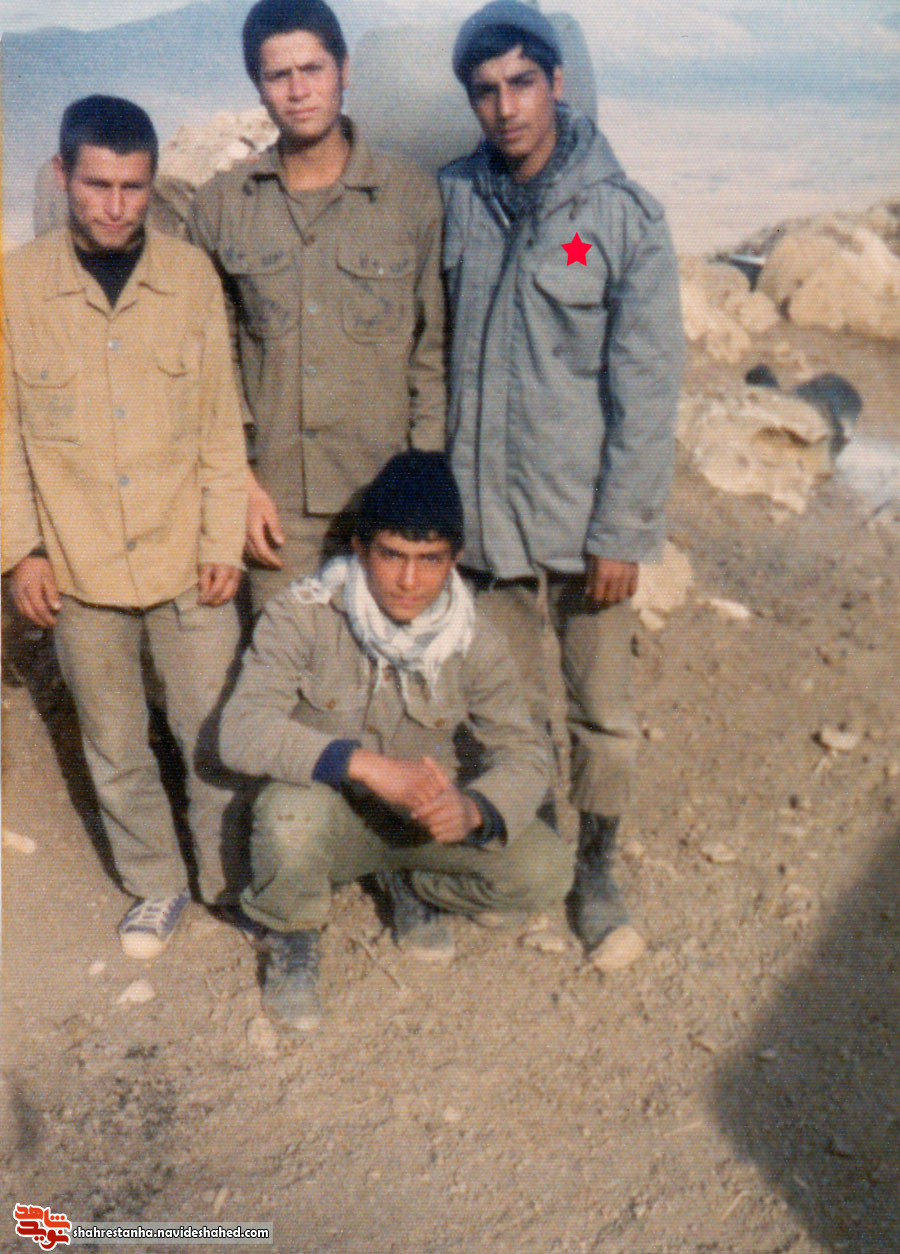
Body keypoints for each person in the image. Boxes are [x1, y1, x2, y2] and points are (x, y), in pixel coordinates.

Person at [441, 2, 684, 951]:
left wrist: (624, 531)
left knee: (601, 711)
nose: (505, 106)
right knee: (506, 705)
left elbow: (646, 390)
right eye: (486, 90)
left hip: (587, 525)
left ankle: (598, 868)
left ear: (557, 84)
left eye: (522, 83)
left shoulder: (619, 219)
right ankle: (531, 842)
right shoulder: (455, 199)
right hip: (485, 515)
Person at [2, 96, 249, 960]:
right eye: (97, 185)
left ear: (153, 184)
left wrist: (222, 540)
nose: (115, 206)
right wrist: (21, 551)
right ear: (63, 176)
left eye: (133, 188)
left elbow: (220, 424)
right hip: (78, 566)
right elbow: (4, 433)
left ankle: (228, 881)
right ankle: (155, 883)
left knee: (212, 730)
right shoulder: (16, 285)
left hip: (186, 556)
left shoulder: (189, 278)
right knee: (113, 742)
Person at [219, 451, 573, 1031]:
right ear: (361, 550)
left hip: (420, 823)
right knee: (288, 817)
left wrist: (475, 809)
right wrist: (362, 764)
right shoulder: (303, 614)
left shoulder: (475, 639)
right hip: (329, 819)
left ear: (454, 559)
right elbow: (241, 730)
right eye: (392, 555)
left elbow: (525, 751)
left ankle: (414, 884)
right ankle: (292, 933)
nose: (410, 581)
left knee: (545, 870)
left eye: (430, 560)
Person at [190, 0, 445, 608]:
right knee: (284, 658)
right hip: (276, 508)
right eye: (279, 75)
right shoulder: (223, 206)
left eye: (313, 69)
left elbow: (431, 355)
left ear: (345, 70)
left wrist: (422, 489)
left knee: (387, 659)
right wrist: (239, 485)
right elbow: (210, 365)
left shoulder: (410, 198)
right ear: (259, 86)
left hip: (386, 498)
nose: (299, 91)